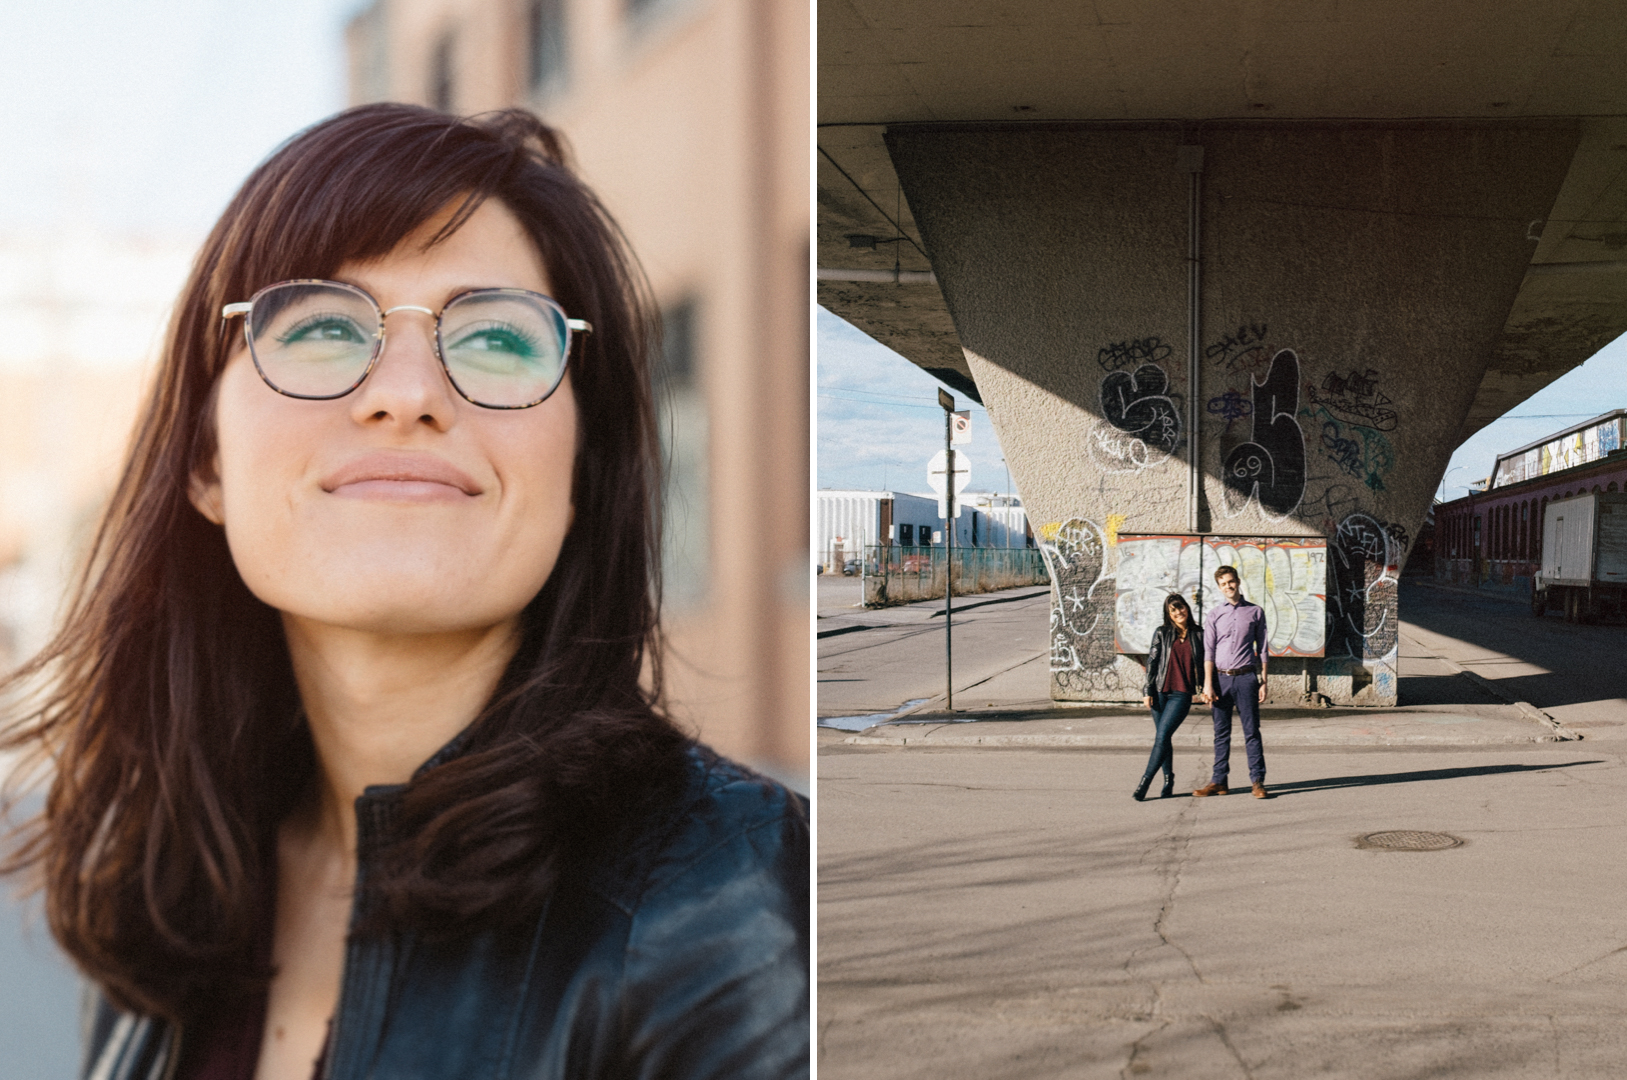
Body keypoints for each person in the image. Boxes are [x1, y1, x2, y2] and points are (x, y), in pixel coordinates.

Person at [0, 104, 808, 1080]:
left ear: (581, 474)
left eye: (498, 341)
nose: (407, 390)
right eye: (324, 328)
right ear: (206, 462)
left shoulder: (726, 903)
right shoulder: (170, 901)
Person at [1195, 564, 1272, 799]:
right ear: (1219, 588)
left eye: (1231, 582)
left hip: (1246, 678)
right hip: (1220, 679)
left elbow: (1264, 649)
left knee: (1251, 732)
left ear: (1237, 581)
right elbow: (1208, 652)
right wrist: (1208, 684)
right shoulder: (1215, 615)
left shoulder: (1255, 612)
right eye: (1223, 584)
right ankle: (1219, 781)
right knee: (1221, 733)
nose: (1228, 587)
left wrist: (1264, 681)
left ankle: (1257, 781)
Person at [1134, 594, 1206, 801]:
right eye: (1173, 611)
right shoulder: (1162, 633)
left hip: (1181, 694)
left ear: (1187, 608)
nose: (1178, 613)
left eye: (1180, 608)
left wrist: (1209, 688)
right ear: (1169, 614)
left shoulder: (1199, 634)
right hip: (1159, 692)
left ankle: (1145, 782)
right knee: (1163, 738)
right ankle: (1168, 779)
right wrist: (1147, 690)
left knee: (1162, 736)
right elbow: (1153, 662)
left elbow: (1207, 662)